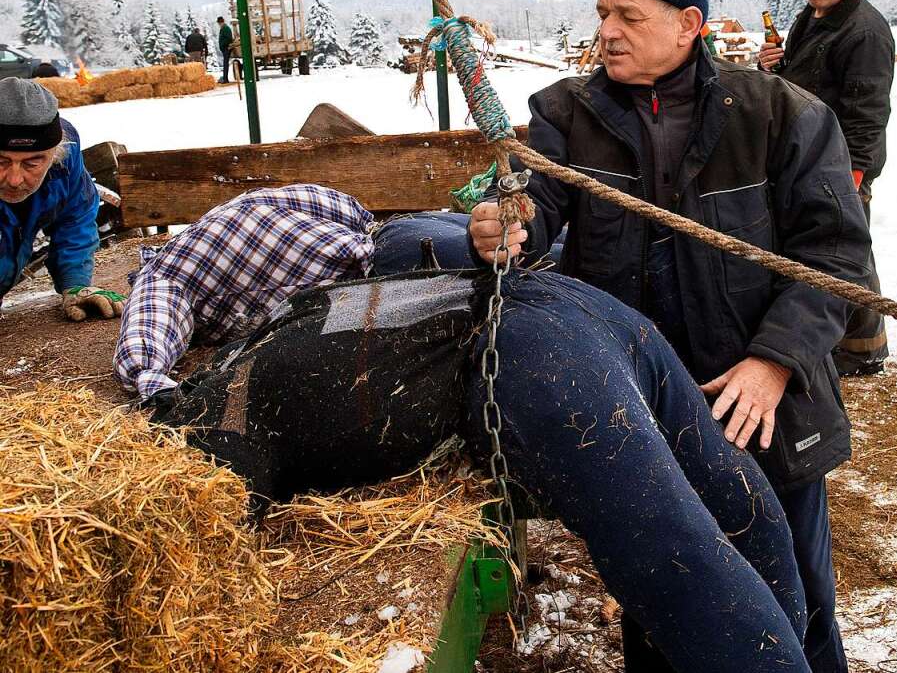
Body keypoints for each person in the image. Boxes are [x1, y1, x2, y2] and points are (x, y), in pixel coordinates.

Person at [469, 0, 871, 673]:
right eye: (601, 13)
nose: (607, 31)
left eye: (627, 14)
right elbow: (542, 208)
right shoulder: (567, 114)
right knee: (663, 602)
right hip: (642, 417)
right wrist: (509, 228)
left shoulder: (780, 116)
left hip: (759, 410)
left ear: (689, 24)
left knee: (795, 600)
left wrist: (773, 362)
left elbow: (836, 259)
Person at [151, 266, 813, 673]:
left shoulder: (215, 416)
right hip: (579, 305)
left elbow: (202, 517)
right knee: (742, 509)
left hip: (525, 351)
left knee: (677, 557)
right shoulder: (286, 318)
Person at [758, 0, 895, 377]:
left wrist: (855, 172)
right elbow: (802, 82)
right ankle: (840, 341)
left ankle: (862, 349)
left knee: (848, 254)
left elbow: (867, 110)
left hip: (840, 161)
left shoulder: (865, 31)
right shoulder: (811, 18)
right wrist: (773, 66)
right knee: (826, 249)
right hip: (807, 154)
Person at [113, 185, 374, 398]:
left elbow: (144, 334)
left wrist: (153, 382)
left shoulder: (162, 276)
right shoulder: (227, 216)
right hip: (363, 250)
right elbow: (314, 200)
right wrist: (360, 222)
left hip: (359, 266)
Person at [0, 77, 123, 321]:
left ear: (55, 155)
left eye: (32, 163)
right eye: (1, 161)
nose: (14, 179)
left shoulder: (66, 153)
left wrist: (75, 283)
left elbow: (74, 218)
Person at [217, 16, 233, 84]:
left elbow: (229, 38)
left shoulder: (225, 28)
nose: (219, 24)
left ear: (221, 22)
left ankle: (225, 78)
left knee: (225, 63)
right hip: (224, 48)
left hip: (226, 48)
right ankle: (225, 77)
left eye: (219, 23)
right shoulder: (223, 28)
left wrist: (223, 44)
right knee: (225, 63)